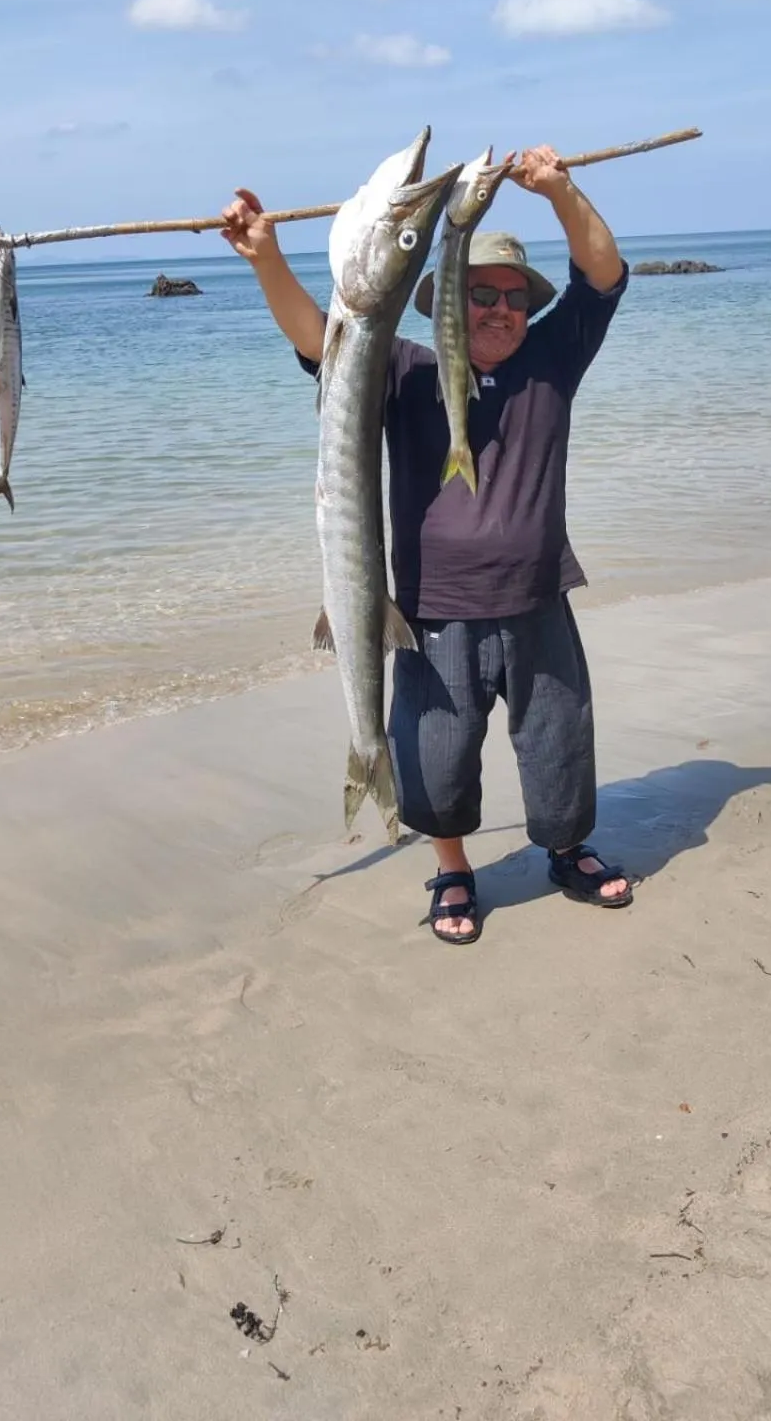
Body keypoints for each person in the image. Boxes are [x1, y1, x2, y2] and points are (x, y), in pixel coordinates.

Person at [218, 145, 636, 946]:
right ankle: (451, 867)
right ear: (450, 298)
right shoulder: (403, 371)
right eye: (481, 294)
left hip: (539, 596)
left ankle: (566, 849)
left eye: (514, 297)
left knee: (559, 742)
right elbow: (322, 340)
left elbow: (604, 273)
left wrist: (561, 192)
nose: (500, 310)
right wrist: (267, 259)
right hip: (431, 611)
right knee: (435, 757)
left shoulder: (553, 358)